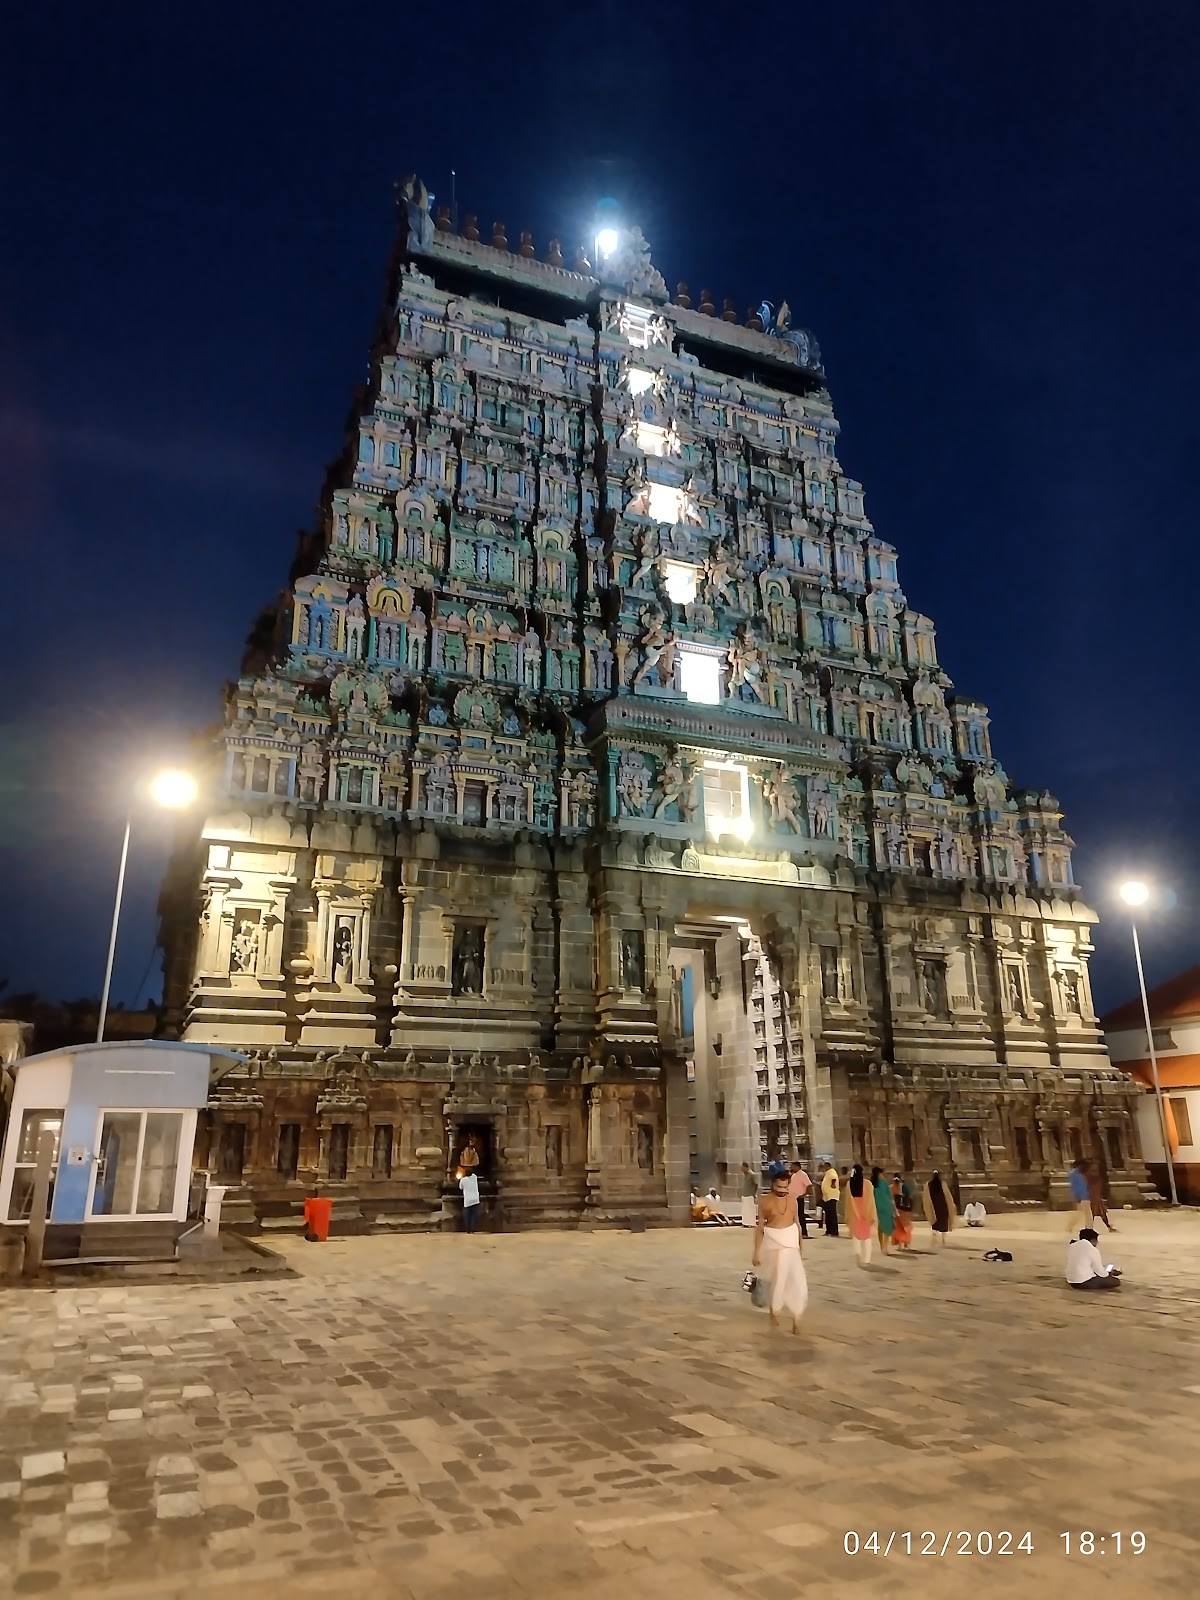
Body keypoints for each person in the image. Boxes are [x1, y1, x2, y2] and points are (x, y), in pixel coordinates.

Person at [751, 1164, 808, 1333]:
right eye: (779, 1186)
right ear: (773, 1184)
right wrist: (756, 1252)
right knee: (779, 1279)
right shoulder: (765, 1201)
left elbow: (797, 1223)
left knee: (798, 1280)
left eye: (785, 1186)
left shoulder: (792, 1200)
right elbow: (760, 1227)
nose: (782, 1190)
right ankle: (774, 1310)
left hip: (791, 1242)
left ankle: (797, 1315)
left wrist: (800, 1244)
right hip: (774, 1241)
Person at [1066, 1227, 1122, 1291]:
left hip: (1071, 1280)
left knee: (1101, 1269)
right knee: (1116, 1281)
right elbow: (1102, 1273)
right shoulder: (1092, 1249)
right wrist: (1110, 1273)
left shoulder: (1073, 1246)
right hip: (1083, 1282)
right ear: (1093, 1240)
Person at [845, 1164, 878, 1266]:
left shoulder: (849, 1184)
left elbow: (847, 1201)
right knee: (867, 1237)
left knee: (856, 1236)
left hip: (854, 1213)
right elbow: (871, 1200)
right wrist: (872, 1214)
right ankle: (866, 1259)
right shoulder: (868, 1184)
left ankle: (858, 1256)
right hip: (866, 1212)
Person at [922, 1169, 958, 1246]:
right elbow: (948, 1196)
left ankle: (935, 1239)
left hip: (934, 1208)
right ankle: (943, 1240)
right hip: (942, 1207)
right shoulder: (942, 1184)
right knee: (943, 1223)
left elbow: (926, 1197)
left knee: (935, 1224)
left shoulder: (929, 1185)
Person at [871, 1165, 895, 1254]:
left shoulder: (871, 1184)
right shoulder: (884, 1183)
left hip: (876, 1207)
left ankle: (882, 1247)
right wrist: (894, 1207)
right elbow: (890, 1196)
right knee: (887, 1228)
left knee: (880, 1228)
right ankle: (885, 1247)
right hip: (885, 1207)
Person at [787, 1162, 812, 1239]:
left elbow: (809, 1185)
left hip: (799, 1198)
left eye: (792, 1166)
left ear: (797, 1167)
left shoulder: (803, 1174)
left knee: (800, 1215)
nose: (791, 1168)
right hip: (792, 1198)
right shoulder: (793, 1175)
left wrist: (805, 1194)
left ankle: (804, 1232)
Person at [1088, 1166, 1117, 1232]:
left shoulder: (1097, 1180)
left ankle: (1107, 1226)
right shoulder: (1090, 1180)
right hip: (1093, 1199)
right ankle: (1089, 1228)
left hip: (1096, 1199)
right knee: (1094, 1214)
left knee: (1101, 1214)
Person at [1067, 1159, 1092, 1234]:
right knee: (1085, 1213)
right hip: (1083, 1196)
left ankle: (1071, 1227)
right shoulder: (1076, 1174)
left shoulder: (1077, 1173)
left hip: (1083, 1195)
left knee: (1083, 1213)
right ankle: (1088, 1228)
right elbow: (1078, 1186)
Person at [891, 1175, 913, 1250]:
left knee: (898, 1228)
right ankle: (906, 1243)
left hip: (896, 1209)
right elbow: (909, 1197)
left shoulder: (891, 1187)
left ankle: (900, 1244)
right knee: (906, 1227)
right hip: (904, 1210)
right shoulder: (905, 1187)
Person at [820, 1159, 840, 1237]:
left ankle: (834, 1231)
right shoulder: (827, 1173)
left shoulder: (832, 1172)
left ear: (828, 1166)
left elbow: (833, 1178)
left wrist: (833, 1184)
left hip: (832, 1195)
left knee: (832, 1214)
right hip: (827, 1196)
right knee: (828, 1214)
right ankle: (829, 1230)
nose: (823, 1168)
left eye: (824, 1166)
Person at [458, 1167, 480, 1232]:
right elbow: (472, 1174)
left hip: (467, 1201)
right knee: (473, 1215)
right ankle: (472, 1229)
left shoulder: (463, 1180)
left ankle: (468, 1229)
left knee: (467, 1216)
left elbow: (460, 1187)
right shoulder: (474, 1177)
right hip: (475, 1199)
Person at [739, 1161, 759, 1228]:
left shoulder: (752, 1174)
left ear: (745, 1167)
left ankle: (751, 1223)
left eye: (742, 1168)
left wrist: (754, 1193)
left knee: (750, 1210)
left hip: (750, 1194)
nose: (741, 1170)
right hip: (744, 1194)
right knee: (745, 1209)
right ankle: (745, 1222)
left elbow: (756, 1184)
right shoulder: (745, 1175)